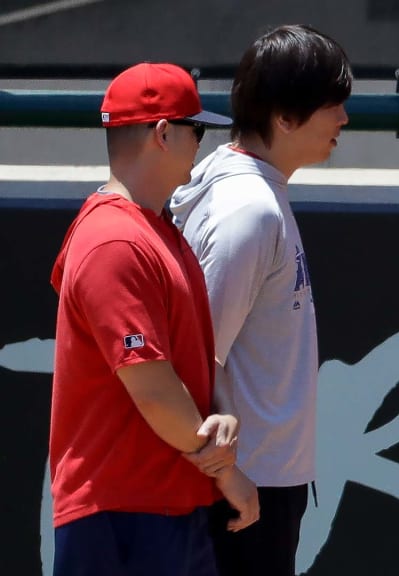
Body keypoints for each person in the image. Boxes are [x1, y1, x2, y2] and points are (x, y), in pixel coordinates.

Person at [49, 62, 259, 576]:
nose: (201, 144)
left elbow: (176, 367)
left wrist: (221, 416)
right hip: (121, 513)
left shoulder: (157, 228)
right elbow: (150, 386)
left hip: (162, 507)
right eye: (197, 130)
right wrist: (224, 468)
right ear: (164, 133)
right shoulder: (115, 240)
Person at [169, 24, 352, 576]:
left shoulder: (253, 191)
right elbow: (199, 358)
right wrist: (232, 476)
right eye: (332, 105)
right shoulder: (247, 208)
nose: (344, 118)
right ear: (285, 117)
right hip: (245, 491)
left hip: (256, 482)